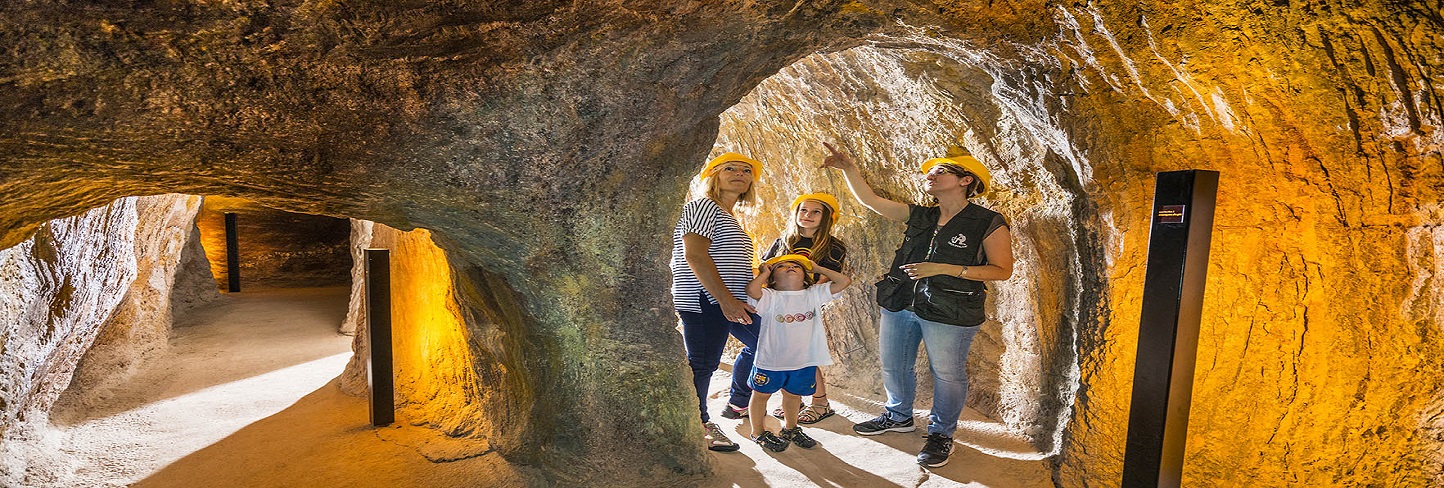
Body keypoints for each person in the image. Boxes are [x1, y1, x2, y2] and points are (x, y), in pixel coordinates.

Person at [821, 142, 1014, 468]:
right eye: (929, 171)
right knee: (894, 366)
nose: (931, 175)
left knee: (948, 374)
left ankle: (941, 435)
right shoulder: (922, 215)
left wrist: (943, 267)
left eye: (941, 170)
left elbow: (1002, 270)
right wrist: (849, 169)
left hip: (951, 309)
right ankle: (898, 416)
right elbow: (872, 202)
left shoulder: (988, 221)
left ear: (966, 180)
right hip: (901, 301)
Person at [670, 151, 764, 452]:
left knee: (765, 341)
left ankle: (737, 401)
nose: (740, 173)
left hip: (727, 300)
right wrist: (725, 300)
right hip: (705, 298)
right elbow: (695, 254)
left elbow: (728, 260)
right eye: (730, 168)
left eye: (746, 171)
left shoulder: (727, 215)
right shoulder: (703, 207)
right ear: (714, 176)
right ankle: (699, 424)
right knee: (703, 363)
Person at [743, 254, 852, 452]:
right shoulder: (770, 297)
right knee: (760, 396)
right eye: (782, 266)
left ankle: (791, 428)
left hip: (802, 361)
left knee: (793, 396)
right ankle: (758, 432)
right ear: (773, 278)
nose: (790, 267)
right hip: (770, 361)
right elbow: (751, 290)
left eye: (796, 266)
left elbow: (843, 281)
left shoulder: (813, 293)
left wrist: (818, 269)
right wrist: (763, 273)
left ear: (805, 276)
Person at [760, 192, 848, 424]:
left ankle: (820, 402)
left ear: (826, 217)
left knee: (806, 354)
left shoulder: (833, 246)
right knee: (784, 353)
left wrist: (800, 297)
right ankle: (793, 400)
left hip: (807, 302)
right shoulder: (784, 241)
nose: (807, 215)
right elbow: (765, 269)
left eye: (815, 212)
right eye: (803, 210)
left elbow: (825, 279)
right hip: (777, 305)